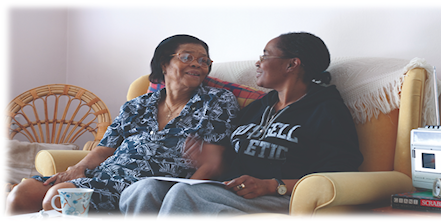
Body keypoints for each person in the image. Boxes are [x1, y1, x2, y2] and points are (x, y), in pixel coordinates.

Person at [119, 32, 363, 216]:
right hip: (232, 190)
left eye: (265, 56)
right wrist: (211, 156)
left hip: (283, 197)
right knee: (145, 189)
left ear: (292, 64)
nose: (258, 63)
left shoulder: (327, 110)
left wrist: (272, 185)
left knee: (185, 196)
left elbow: (340, 173)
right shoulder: (258, 108)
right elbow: (225, 156)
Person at [6, 34, 239, 215]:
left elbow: (213, 161)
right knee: (22, 193)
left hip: (146, 187)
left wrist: (181, 199)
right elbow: (106, 147)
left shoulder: (217, 101)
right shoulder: (137, 104)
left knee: (59, 196)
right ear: (164, 64)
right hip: (105, 176)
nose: (198, 64)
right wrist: (78, 168)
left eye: (204, 61)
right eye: (187, 57)